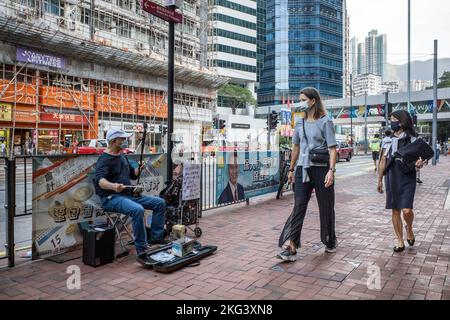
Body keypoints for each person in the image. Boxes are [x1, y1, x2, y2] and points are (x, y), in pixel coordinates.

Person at [277, 87, 338, 262]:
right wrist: (291, 169)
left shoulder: (326, 121)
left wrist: (331, 171)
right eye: (300, 99)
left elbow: (332, 148)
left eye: (303, 99)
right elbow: (295, 147)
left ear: (313, 101)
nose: (300, 103)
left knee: (325, 207)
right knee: (299, 206)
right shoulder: (300, 123)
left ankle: (330, 240)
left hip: (321, 169)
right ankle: (292, 245)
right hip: (302, 169)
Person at [94, 128, 167, 256]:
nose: (125, 141)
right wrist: (113, 186)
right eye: (122, 139)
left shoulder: (122, 156)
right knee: (137, 209)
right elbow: (100, 181)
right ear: (113, 141)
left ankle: (156, 238)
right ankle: (142, 248)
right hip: (111, 197)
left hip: (128, 195)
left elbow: (133, 175)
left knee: (160, 203)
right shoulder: (104, 159)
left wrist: (139, 169)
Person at [378, 110, 425, 253]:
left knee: (407, 209)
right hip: (391, 175)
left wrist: (420, 162)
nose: (391, 122)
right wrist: (379, 180)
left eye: (394, 120)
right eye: (390, 119)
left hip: (407, 175)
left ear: (402, 122)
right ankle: (399, 240)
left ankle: (409, 228)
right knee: (395, 209)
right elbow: (382, 161)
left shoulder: (413, 139)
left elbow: (422, 157)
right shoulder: (386, 140)